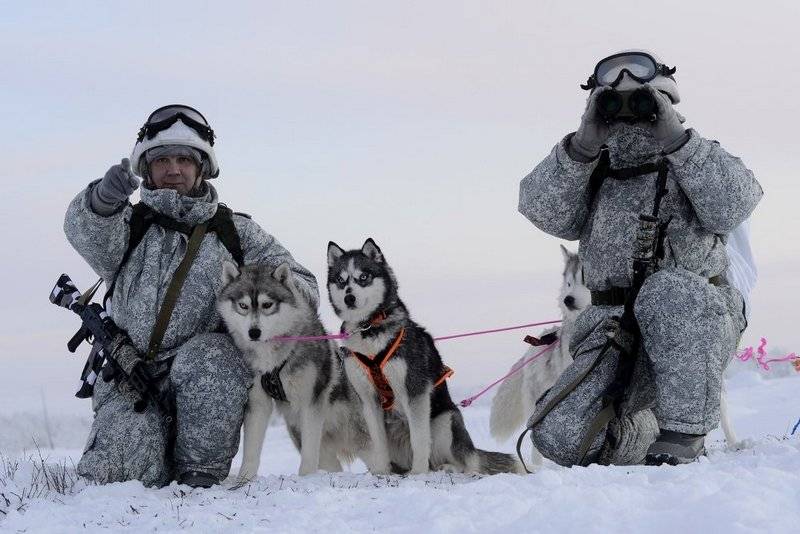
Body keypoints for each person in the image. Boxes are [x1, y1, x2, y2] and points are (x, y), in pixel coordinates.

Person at [518, 50, 763, 466]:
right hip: (614, 326)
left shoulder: (696, 157)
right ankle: (648, 430)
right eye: (615, 101)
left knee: (665, 290)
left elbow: (734, 205)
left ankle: (684, 431)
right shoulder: (593, 168)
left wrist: (676, 142)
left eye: (643, 100)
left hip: (694, 320)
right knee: (558, 436)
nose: (630, 111)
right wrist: (582, 146)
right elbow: (542, 210)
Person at [64, 104, 319, 487]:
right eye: (162, 159)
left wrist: (264, 303)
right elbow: (88, 233)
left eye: (185, 159)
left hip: (204, 375)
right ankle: (156, 451)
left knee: (213, 355)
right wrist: (102, 202)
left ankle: (200, 476)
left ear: (202, 167)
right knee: (116, 479)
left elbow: (303, 287)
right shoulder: (129, 225)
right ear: (146, 168)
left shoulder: (235, 233)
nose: (173, 169)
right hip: (129, 376)